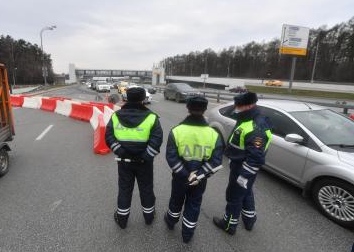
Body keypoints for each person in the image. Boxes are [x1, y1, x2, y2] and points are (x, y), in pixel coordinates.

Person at [163, 96, 223, 243]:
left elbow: (171, 157)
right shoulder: (213, 134)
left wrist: (185, 174)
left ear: (188, 109)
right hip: (199, 180)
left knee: (176, 200)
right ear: (204, 110)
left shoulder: (177, 131)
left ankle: (171, 222)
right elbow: (216, 161)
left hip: (180, 177)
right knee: (194, 204)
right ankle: (187, 234)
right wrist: (199, 175)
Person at [213, 92, 272, 235]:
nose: (236, 108)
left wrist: (244, 176)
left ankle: (229, 225)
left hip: (243, 168)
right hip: (240, 165)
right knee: (246, 192)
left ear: (250, 105)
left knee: (234, 196)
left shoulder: (255, 128)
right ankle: (249, 220)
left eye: (239, 106)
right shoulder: (248, 117)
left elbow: (255, 158)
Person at [105, 87, 163, 229]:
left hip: (124, 162)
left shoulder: (115, 116)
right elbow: (157, 140)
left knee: (125, 189)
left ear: (126, 98)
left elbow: (109, 136)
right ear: (143, 99)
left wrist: (121, 152)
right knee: (146, 189)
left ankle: (122, 220)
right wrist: (145, 157)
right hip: (145, 163)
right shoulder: (152, 117)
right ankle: (149, 218)